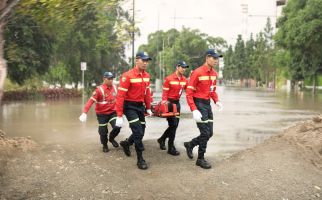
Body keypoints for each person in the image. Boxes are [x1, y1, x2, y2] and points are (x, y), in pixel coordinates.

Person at [184, 49, 223, 169]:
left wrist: (217, 101)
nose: (216, 60)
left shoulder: (214, 74)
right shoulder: (197, 72)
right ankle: (200, 159)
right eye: (214, 58)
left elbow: (212, 91)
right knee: (205, 133)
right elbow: (189, 93)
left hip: (207, 104)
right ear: (207, 58)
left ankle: (190, 144)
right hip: (198, 104)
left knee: (209, 133)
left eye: (217, 58)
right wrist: (194, 109)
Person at [115, 51, 153, 170]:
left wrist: (148, 107)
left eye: (147, 61)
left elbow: (147, 93)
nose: (145, 63)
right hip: (129, 106)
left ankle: (126, 143)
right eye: (143, 60)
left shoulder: (146, 76)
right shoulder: (127, 75)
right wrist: (119, 115)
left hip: (140, 106)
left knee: (142, 130)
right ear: (136, 60)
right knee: (137, 132)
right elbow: (120, 96)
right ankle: (140, 159)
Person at [79, 71, 120, 152]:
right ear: (104, 79)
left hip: (112, 112)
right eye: (109, 79)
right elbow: (90, 101)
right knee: (103, 132)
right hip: (102, 114)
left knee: (117, 126)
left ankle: (111, 139)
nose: (111, 80)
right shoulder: (99, 90)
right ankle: (104, 145)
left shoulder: (115, 87)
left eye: (112, 78)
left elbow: (120, 98)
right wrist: (84, 113)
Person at [157, 60, 189, 156]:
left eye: (185, 67)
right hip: (169, 104)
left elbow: (189, 90)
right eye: (182, 67)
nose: (183, 69)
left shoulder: (184, 80)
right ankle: (171, 147)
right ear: (177, 67)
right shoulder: (169, 79)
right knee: (173, 125)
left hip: (177, 104)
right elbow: (165, 94)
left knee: (174, 126)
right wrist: (164, 103)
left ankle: (162, 139)